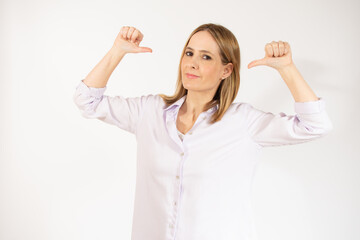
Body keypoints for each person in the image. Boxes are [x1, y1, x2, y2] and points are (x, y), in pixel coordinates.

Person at [73, 24, 333, 240]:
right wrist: (118, 50)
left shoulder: (243, 122)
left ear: (226, 70)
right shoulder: (149, 111)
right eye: (189, 53)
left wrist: (286, 69)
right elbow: (87, 100)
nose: (192, 64)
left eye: (206, 57)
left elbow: (315, 125)